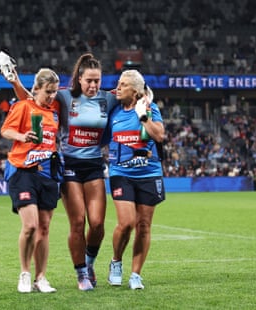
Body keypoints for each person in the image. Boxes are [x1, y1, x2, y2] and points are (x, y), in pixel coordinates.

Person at [0, 51, 118, 291]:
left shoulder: (105, 99)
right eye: (89, 80)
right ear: (79, 79)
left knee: (85, 225)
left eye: (98, 80)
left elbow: (129, 94)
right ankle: (58, 273)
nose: (94, 85)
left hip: (76, 167)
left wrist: (146, 97)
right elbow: (29, 99)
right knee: (60, 223)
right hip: (56, 167)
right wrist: (14, 81)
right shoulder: (63, 97)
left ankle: (70, 268)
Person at [0, 68, 61, 293]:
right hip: (23, 170)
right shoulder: (23, 106)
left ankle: (41, 277)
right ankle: (25, 273)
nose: (52, 96)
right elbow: (6, 130)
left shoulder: (54, 113)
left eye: (54, 92)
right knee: (31, 226)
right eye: (48, 92)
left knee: (44, 228)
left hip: (47, 173)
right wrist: (22, 136)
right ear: (36, 89)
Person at [105, 69, 165, 290]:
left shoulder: (150, 109)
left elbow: (159, 135)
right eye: (118, 83)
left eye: (123, 84)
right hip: (121, 173)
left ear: (137, 91)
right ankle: (116, 261)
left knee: (144, 225)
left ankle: (136, 274)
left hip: (149, 173)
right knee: (127, 222)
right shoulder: (113, 112)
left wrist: (143, 115)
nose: (118, 88)